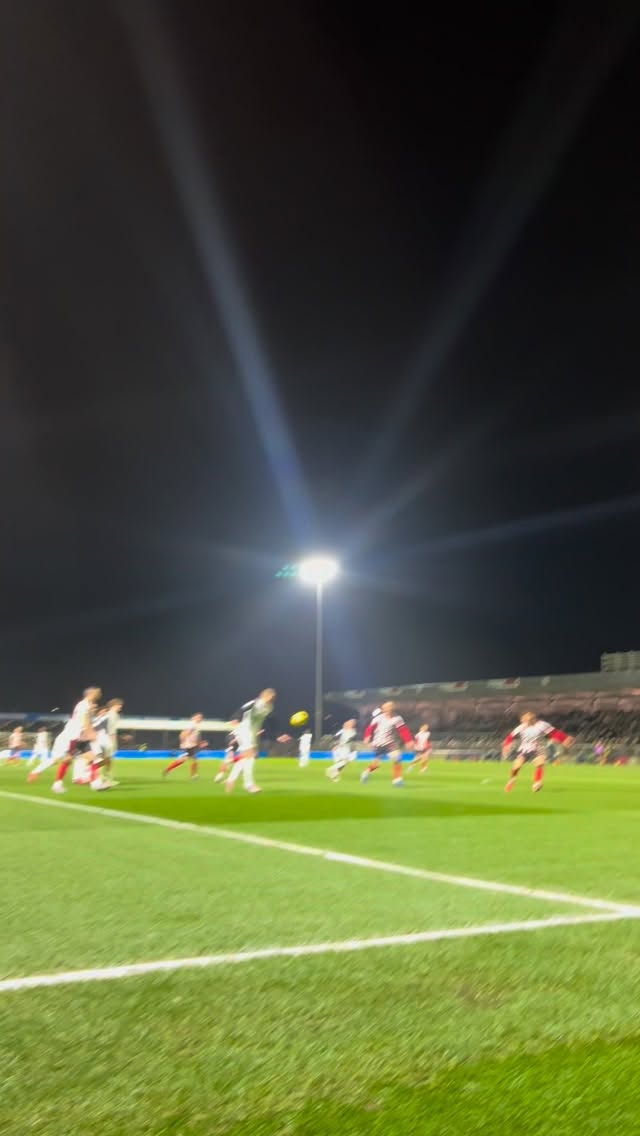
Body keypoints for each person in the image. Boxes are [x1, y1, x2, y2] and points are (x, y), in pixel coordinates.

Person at [224, 689, 289, 795]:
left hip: (253, 734)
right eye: (270, 696)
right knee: (249, 755)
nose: (272, 698)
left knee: (248, 758)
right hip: (243, 730)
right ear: (264, 695)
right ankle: (248, 784)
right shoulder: (255, 703)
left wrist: (278, 735)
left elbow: (272, 722)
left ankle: (231, 779)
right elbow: (242, 710)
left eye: (273, 697)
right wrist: (235, 719)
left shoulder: (269, 707)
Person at [502, 711, 573, 793]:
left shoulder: (542, 725)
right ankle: (511, 780)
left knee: (539, 763)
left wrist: (564, 738)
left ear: (533, 718)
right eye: (525, 718)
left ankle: (537, 783)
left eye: (530, 717)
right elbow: (510, 736)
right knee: (517, 766)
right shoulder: (521, 727)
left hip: (538, 749)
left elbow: (554, 733)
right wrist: (506, 744)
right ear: (522, 720)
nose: (527, 719)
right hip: (524, 749)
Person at [50, 687, 102, 794]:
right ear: (90, 694)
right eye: (97, 693)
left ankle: (95, 783)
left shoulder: (87, 705)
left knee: (92, 757)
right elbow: (84, 720)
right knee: (67, 760)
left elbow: (87, 721)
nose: (98, 694)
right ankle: (57, 784)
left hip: (81, 736)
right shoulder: (83, 705)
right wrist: (91, 733)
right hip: (74, 735)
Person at [360, 702, 413, 787]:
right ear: (383, 709)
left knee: (397, 757)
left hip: (390, 742)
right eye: (386, 707)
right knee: (377, 764)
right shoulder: (378, 718)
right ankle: (365, 772)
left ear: (393, 708)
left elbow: (403, 730)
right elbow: (369, 728)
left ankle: (397, 780)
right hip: (378, 742)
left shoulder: (397, 718)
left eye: (390, 706)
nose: (389, 708)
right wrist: (367, 736)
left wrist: (408, 741)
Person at [92, 698, 123, 788]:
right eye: (119, 705)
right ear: (113, 706)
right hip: (105, 739)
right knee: (106, 760)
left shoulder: (109, 714)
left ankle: (102, 777)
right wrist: (112, 743)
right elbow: (110, 730)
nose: (120, 707)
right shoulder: (112, 715)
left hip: (100, 739)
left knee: (103, 759)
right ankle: (104, 778)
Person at [163, 714, 203, 781]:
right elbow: (183, 734)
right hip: (189, 746)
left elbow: (192, 736)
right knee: (190, 760)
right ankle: (193, 776)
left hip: (191, 745)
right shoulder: (192, 725)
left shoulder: (194, 725)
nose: (201, 719)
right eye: (199, 717)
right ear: (194, 718)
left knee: (188, 759)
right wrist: (183, 743)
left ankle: (168, 769)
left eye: (201, 717)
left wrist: (198, 743)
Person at [214, 719, 240, 784]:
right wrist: (233, 740)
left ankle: (222, 776)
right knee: (228, 760)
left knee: (231, 762)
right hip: (232, 743)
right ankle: (219, 776)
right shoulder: (235, 728)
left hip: (236, 743)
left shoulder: (239, 727)